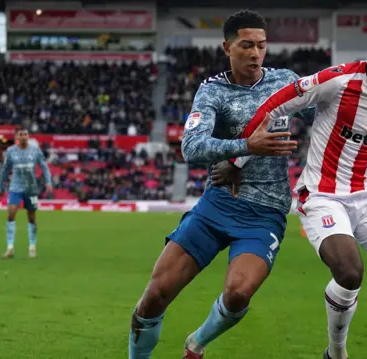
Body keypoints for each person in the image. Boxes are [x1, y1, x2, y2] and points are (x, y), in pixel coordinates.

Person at [217, 25, 367, 359]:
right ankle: (336, 353)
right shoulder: (338, 81)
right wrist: (238, 158)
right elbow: (274, 105)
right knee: (349, 272)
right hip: (323, 195)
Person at [127, 10, 315, 359]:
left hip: (265, 213)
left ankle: (196, 343)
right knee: (155, 295)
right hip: (216, 206)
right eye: (246, 45)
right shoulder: (213, 90)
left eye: (261, 45)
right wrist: (244, 147)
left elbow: (325, 117)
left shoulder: (285, 82)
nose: (256, 53)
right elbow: (191, 147)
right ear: (227, 47)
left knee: (238, 293)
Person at [0, 127, 52, 259]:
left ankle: (32, 246)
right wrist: (0, 188)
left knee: (31, 217)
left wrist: (48, 181)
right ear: (17, 137)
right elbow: (5, 170)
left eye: (26, 134)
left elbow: (44, 166)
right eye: (22, 134)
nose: (25, 136)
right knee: (11, 214)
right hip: (15, 187)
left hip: (31, 188)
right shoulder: (10, 151)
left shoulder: (35, 150)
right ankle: (10, 248)